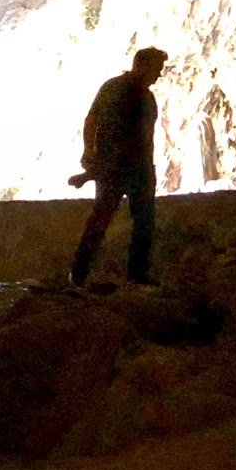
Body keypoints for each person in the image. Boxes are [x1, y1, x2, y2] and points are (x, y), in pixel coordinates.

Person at [68, 47, 167, 289]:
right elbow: (92, 120)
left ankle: (133, 276)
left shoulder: (144, 96)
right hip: (116, 167)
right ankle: (80, 275)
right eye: (157, 69)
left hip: (137, 168)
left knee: (139, 223)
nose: (159, 75)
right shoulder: (116, 88)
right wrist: (89, 153)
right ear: (142, 66)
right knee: (104, 220)